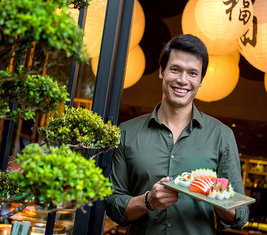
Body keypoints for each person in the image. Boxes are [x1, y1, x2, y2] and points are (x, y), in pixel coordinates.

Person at [105, 34, 248, 234]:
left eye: (192, 73)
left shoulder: (221, 136)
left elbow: (240, 214)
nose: (182, 80)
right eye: (175, 69)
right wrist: (148, 201)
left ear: (200, 81)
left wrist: (217, 198)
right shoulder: (126, 133)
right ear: (162, 71)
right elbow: (112, 204)